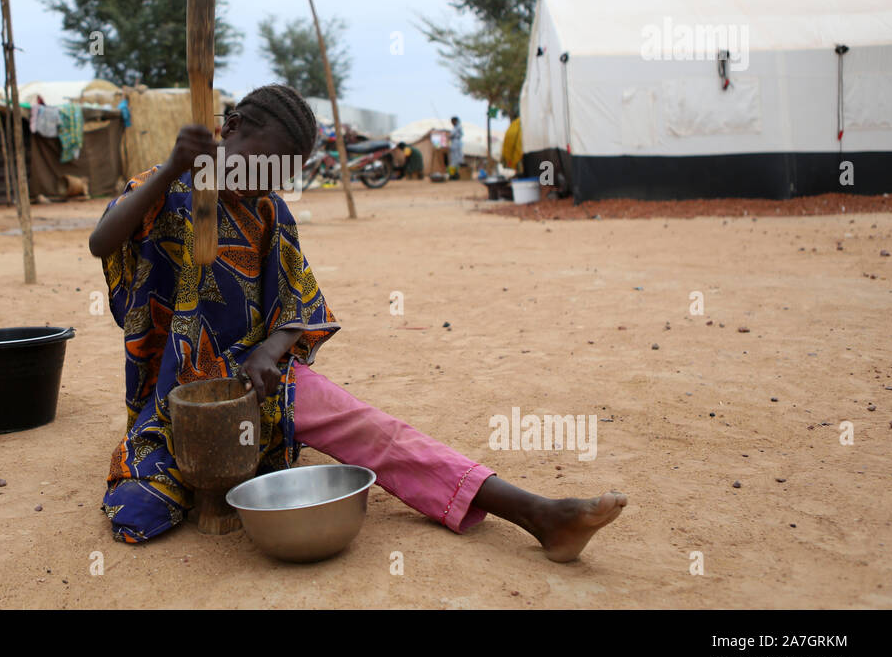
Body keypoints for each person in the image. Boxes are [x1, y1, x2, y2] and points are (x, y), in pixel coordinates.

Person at [87, 84, 626, 560]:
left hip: (257, 390)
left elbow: (299, 303)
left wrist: (271, 350)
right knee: (141, 513)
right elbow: (102, 241)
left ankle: (539, 514)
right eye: (259, 162)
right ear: (230, 130)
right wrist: (173, 170)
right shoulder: (166, 186)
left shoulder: (271, 211)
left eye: (279, 173)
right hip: (171, 403)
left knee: (374, 430)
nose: (264, 180)